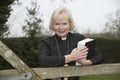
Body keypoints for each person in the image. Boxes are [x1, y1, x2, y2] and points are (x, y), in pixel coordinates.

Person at [39, 7, 103, 80]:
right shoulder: (47, 42)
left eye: (64, 24)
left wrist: (86, 62)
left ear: (70, 24)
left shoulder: (78, 39)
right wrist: (70, 57)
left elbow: (99, 56)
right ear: (52, 25)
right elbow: (43, 60)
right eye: (57, 24)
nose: (61, 28)